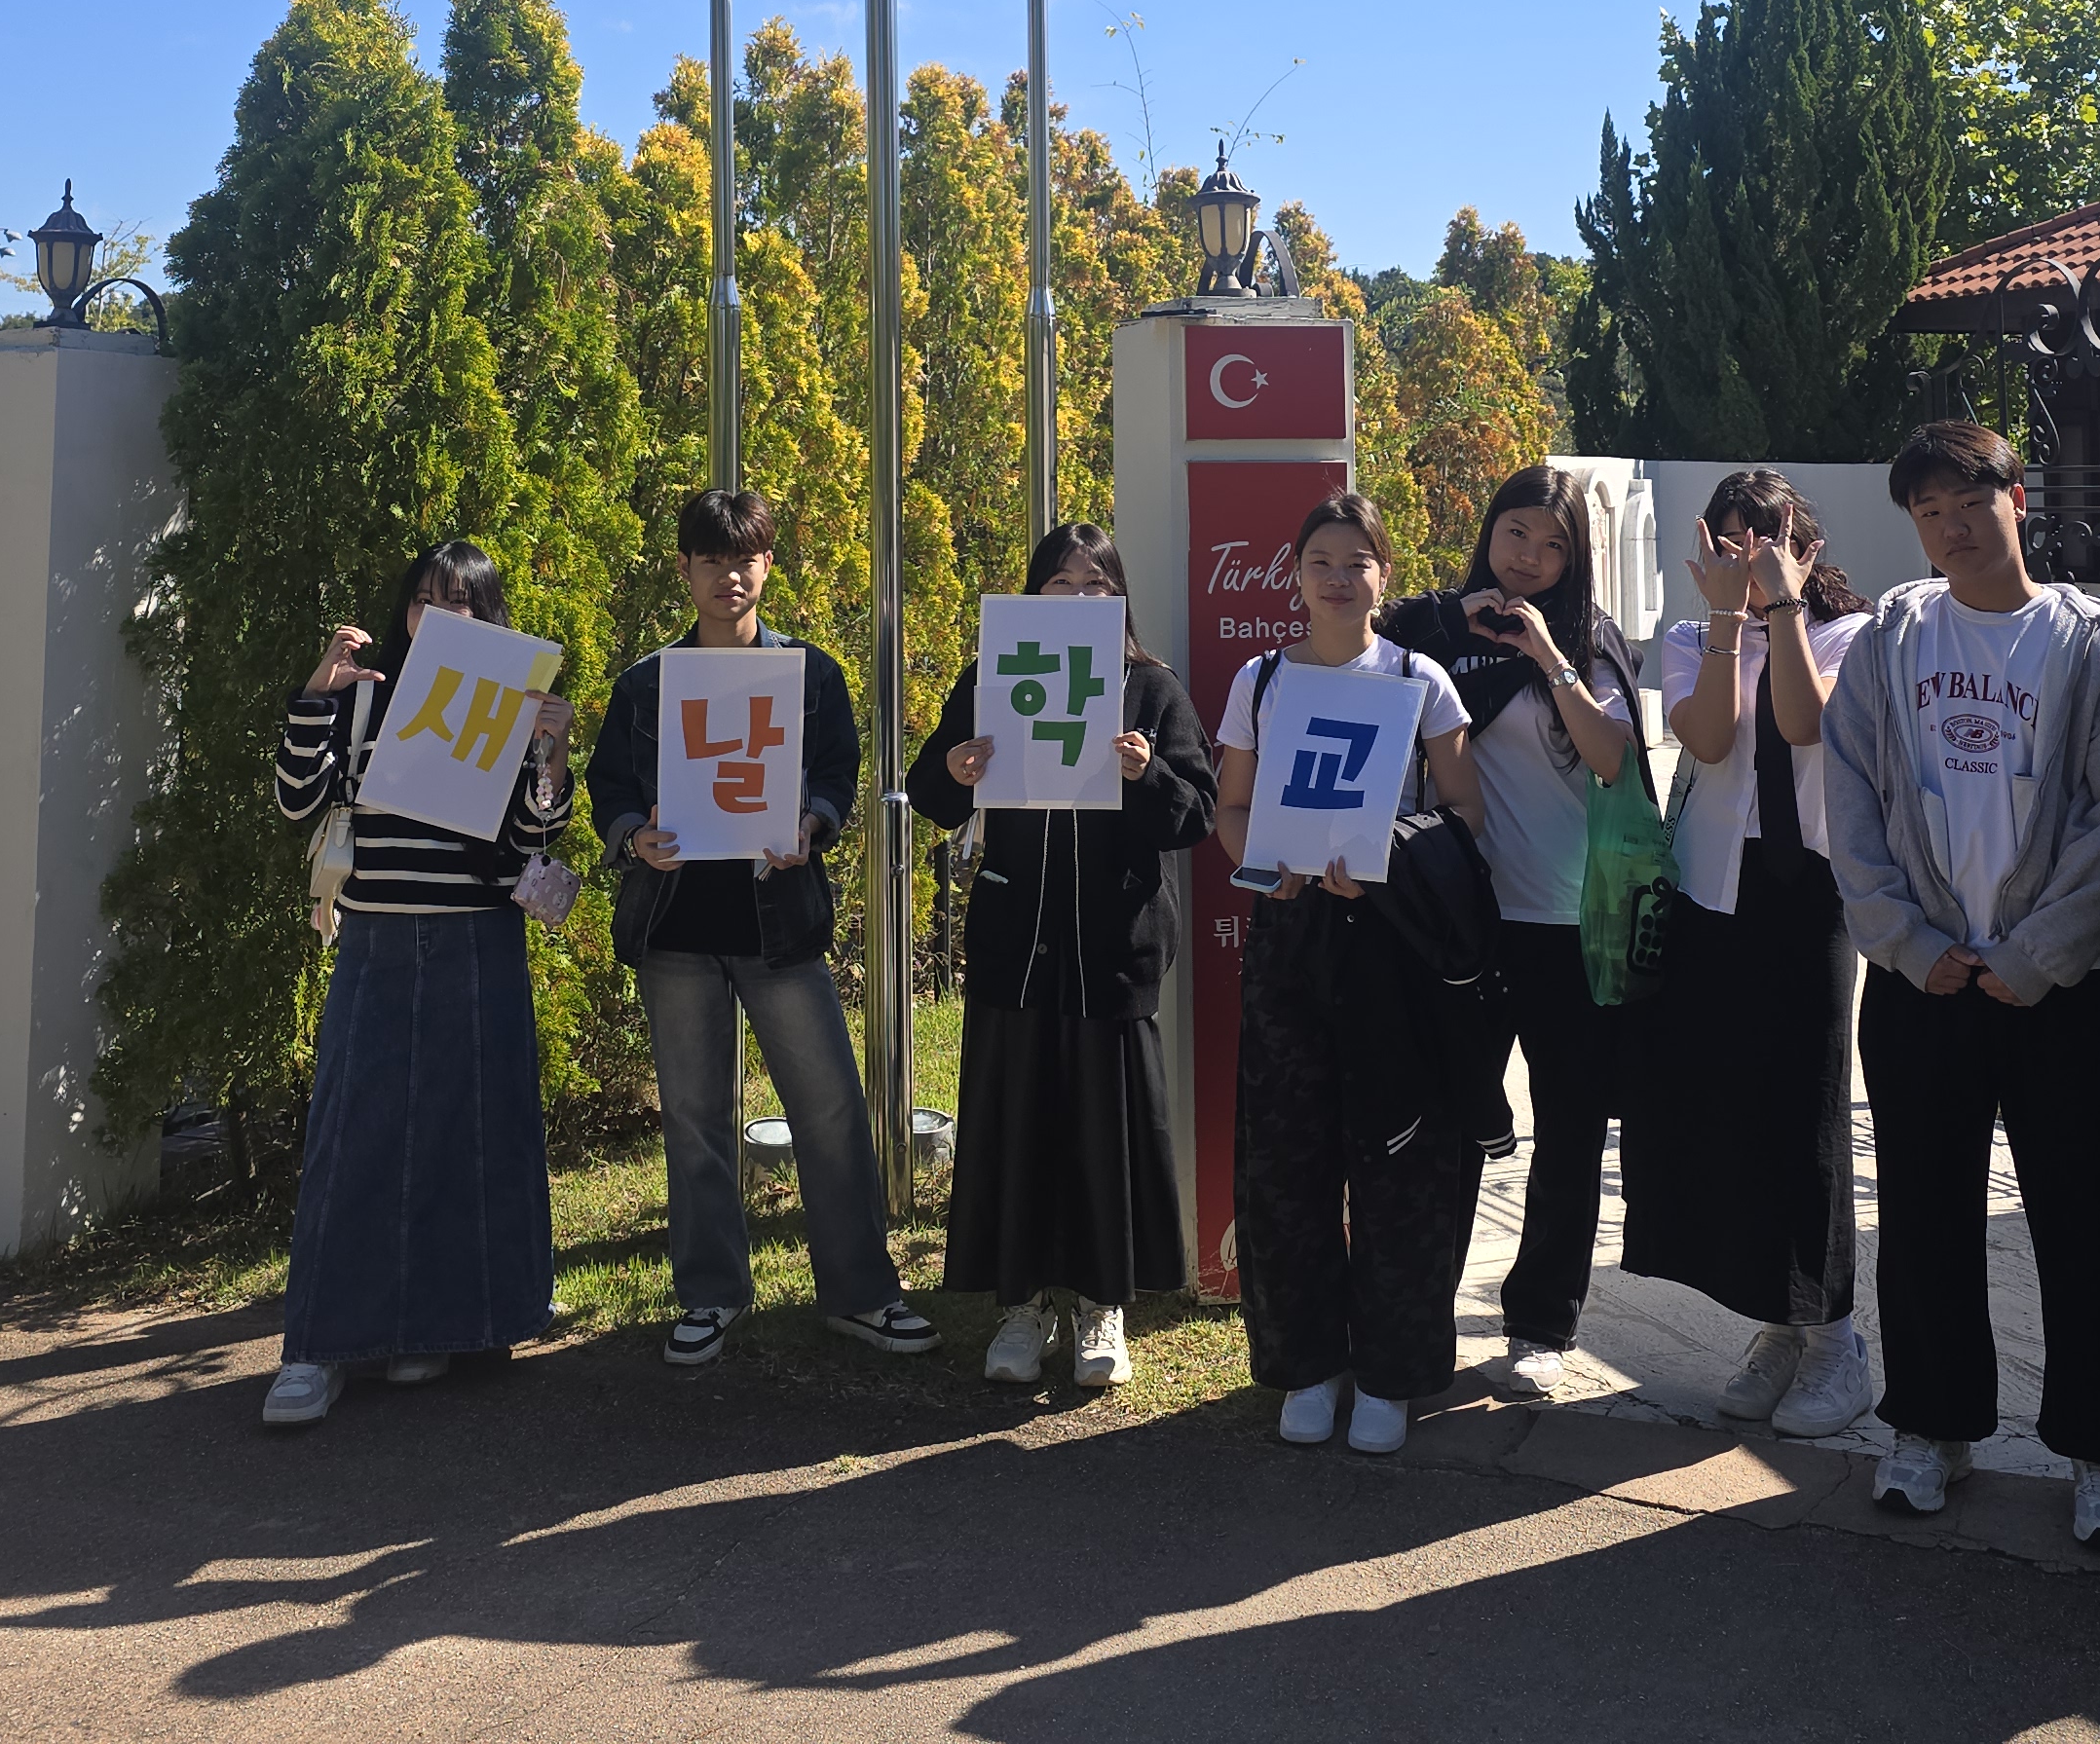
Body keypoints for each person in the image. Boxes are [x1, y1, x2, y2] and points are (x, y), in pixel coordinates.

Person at [1819, 420, 2100, 1545]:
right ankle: (1931, 1428)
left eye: (1970, 503)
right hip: (1921, 981)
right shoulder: (1890, 640)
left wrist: (2038, 955)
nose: (1951, 528)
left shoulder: (2091, 643)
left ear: (2017, 501)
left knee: (2089, 1225)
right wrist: (1904, 941)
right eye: (1928, 512)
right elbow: (1850, 803)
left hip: (2057, 987)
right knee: (1922, 1218)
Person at [585, 485, 935, 1368]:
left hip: (781, 927)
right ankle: (711, 1293)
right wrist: (633, 837)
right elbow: (609, 785)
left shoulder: (808, 674)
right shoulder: (647, 683)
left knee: (831, 1109)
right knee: (695, 1118)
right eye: (711, 561)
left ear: (767, 566)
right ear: (685, 570)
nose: (728, 577)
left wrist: (814, 822)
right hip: (677, 931)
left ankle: (862, 1294)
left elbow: (837, 770)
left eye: (743, 560)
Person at [262, 538, 580, 1429]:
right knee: (351, 1139)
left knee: (472, 1137)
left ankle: (443, 1328)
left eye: (460, 603)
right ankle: (317, 1348)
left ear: (489, 615)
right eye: (423, 600)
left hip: (481, 940)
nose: (438, 617)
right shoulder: (366, 698)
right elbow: (295, 802)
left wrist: (551, 757)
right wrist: (317, 697)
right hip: (377, 941)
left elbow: (532, 840)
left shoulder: (511, 706)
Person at [907, 522, 1219, 1390]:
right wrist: (957, 769)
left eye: (1095, 586)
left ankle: (1101, 1305)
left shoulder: (1152, 688)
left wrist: (1147, 774)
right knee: (1017, 1126)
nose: (1078, 600)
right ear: (1032, 594)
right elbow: (929, 790)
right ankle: (1021, 1306)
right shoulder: (992, 675)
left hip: (1112, 950)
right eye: (1060, 584)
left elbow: (1197, 814)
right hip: (1017, 945)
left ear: (1118, 599)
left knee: (1104, 1133)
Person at [1214, 490, 1484, 1457]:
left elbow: (1465, 813)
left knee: (1401, 1164)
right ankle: (1306, 1363)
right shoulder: (1259, 680)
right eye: (1320, 561)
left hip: (1394, 946)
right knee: (1286, 1162)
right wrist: (1269, 866)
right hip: (1290, 941)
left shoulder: (1418, 678)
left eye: (1356, 562)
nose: (1338, 578)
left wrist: (1388, 860)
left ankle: (1390, 1373)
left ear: (1384, 575)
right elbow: (1231, 810)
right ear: (1294, 575)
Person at [1619, 467, 1880, 1440]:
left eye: (1764, 538)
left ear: (1805, 546)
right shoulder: (1692, 640)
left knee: (1806, 1114)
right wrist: (1732, 618)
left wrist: (1780, 609)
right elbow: (1712, 739)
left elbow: (1804, 723)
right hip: (1712, 896)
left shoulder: (1851, 636)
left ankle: (1835, 1340)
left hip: (1806, 897)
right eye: (1729, 541)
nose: (1746, 555)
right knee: (1732, 1114)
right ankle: (1778, 1322)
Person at [1374, 463, 1640, 1397]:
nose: (1528, 557)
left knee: (1569, 1127)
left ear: (1576, 558)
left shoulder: (1590, 641)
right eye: (1515, 532)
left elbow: (1613, 761)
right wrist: (1455, 628)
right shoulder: (1434, 632)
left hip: (1567, 919)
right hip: (1461, 921)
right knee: (1447, 1122)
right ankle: (1422, 1309)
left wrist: (1548, 656)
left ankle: (1540, 1323)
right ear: (1489, 530)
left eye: (1552, 544)